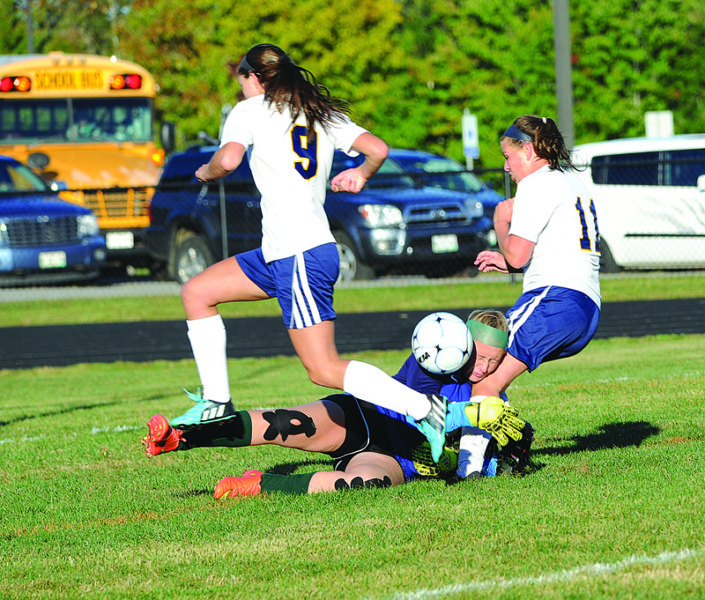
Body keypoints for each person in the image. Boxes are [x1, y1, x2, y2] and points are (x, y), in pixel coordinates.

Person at [173, 43, 451, 460]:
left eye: (242, 81)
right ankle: (216, 402)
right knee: (197, 292)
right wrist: (359, 173)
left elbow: (228, 160)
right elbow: (378, 148)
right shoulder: (317, 111)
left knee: (322, 369)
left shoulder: (249, 111)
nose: (241, 90)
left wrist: (205, 171)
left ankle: (424, 408)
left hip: (299, 254)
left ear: (253, 77)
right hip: (282, 252)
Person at [143, 310, 532, 497]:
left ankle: (261, 484)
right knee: (288, 423)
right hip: (368, 416)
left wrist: (487, 458)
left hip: (394, 460)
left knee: (363, 484)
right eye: (475, 356)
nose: (480, 367)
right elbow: (424, 387)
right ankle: (181, 436)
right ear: (460, 345)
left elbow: (474, 474)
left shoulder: (494, 404)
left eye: (492, 362)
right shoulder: (434, 362)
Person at [473, 115, 601, 406]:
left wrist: (500, 220)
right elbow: (554, 245)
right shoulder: (571, 180)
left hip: (554, 300)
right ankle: (508, 444)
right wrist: (509, 262)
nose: (506, 167)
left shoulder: (535, 183)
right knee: (492, 373)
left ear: (528, 151)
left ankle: (475, 452)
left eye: (508, 156)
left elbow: (517, 255)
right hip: (586, 308)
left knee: (481, 375)